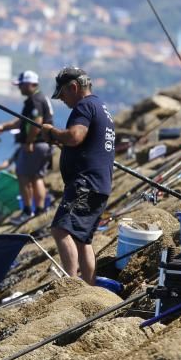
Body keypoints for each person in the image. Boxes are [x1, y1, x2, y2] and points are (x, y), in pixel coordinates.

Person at [40, 66, 116, 284]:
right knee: (83, 240)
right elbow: (87, 145)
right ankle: (88, 286)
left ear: (73, 87)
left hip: (85, 184)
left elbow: (75, 136)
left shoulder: (84, 105)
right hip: (100, 184)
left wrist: (52, 131)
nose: (62, 100)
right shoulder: (100, 106)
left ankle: (70, 284)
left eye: (63, 94)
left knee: (60, 229)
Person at [0, 70, 54, 224]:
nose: (19, 88)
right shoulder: (38, 98)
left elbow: (37, 122)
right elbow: (21, 122)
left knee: (23, 176)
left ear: (31, 84)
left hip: (36, 145)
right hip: (45, 144)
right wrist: (3, 127)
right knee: (37, 177)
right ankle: (40, 210)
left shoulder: (35, 100)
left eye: (21, 85)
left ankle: (27, 211)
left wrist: (29, 142)